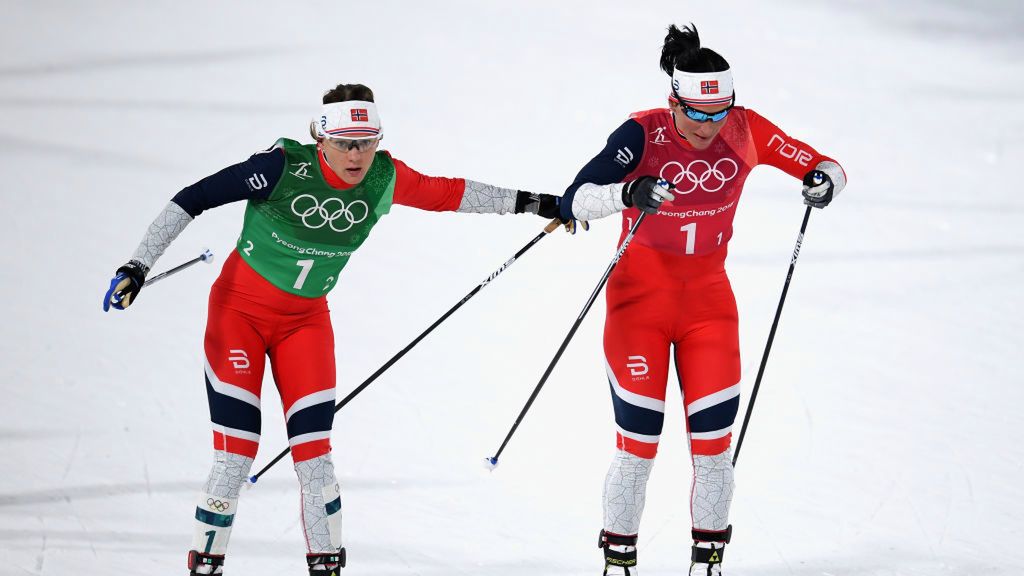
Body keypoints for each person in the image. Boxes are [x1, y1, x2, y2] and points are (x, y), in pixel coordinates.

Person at [102, 83, 569, 576]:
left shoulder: (384, 177)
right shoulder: (280, 168)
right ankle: (206, 566)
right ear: (320, 137)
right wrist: (138, 264)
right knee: (236, 454)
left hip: (304, 325)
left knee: (315, 461)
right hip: (238, 315)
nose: (356, 154)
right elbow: (192, 198)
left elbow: (451, 193)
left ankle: (326, 567)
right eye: (345, 141)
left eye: (367, 141)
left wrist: (537, 203)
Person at [558, 25, 847, 576]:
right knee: (637, 448)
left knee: (714, 451)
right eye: (695, 114)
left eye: (720, 114)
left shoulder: (745, 128)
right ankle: (618, 564)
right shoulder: (640, 133)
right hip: (637, 306)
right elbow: (576, 198)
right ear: (673, 102)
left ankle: (707, 564)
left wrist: (823, 183)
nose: (709, 128)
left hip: (708, 309)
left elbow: (826, 165)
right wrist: (627, 192)